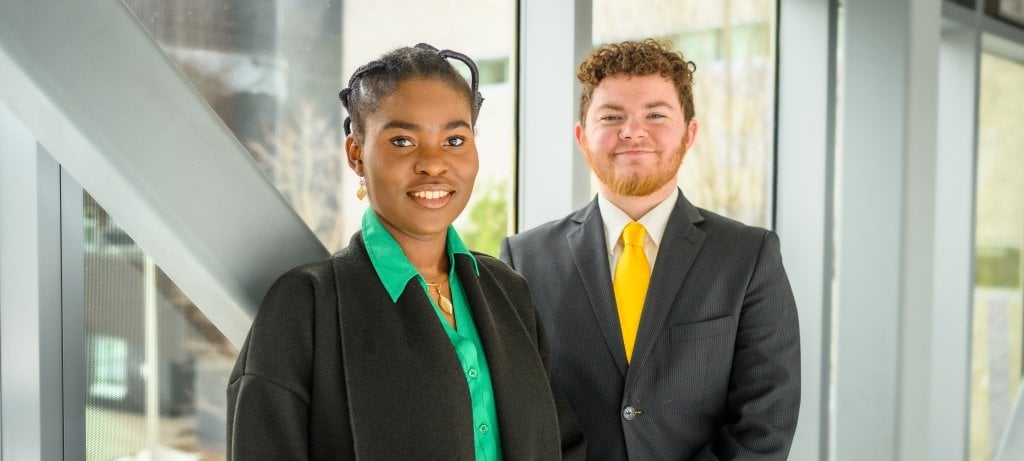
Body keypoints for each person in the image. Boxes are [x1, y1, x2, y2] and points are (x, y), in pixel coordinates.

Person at [227, 43, 585, 460]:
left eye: (454, 139)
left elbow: (562, 443)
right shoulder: (305, 305)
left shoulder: (507, 291)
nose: (434, 163)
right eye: (402, 141)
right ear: (356, 154)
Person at [500, 38, 800, 460]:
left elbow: (766, 418)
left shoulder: (748, 257)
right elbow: (518, 413)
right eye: (612, 116)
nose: (633, 131)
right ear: (582, 137)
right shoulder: (523, 259)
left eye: (655, 114)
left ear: (690, 133)